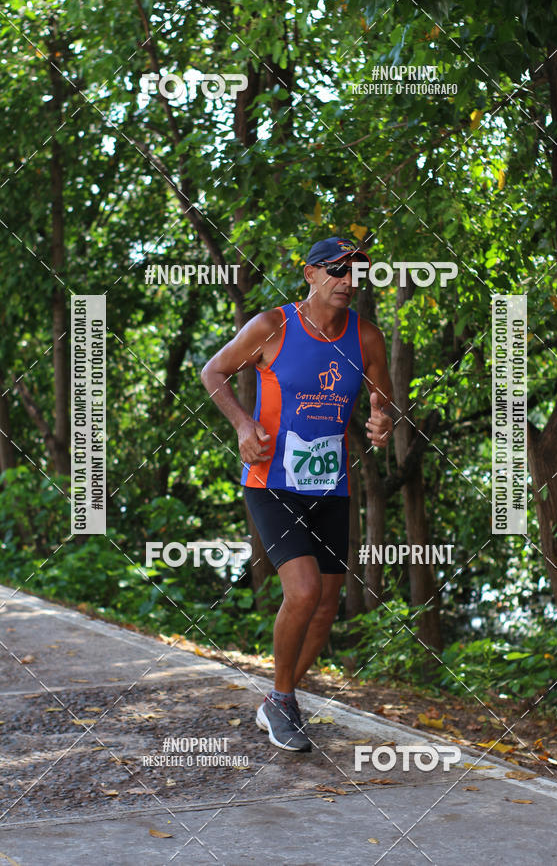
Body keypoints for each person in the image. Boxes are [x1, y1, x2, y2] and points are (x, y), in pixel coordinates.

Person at [201, 236, 394, 751]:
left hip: (330, 484)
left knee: (329, 603)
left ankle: (278, 700)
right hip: (272, 482)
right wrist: (242, 424)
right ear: (309, 274)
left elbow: (382, 391)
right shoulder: (272, 326)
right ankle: (283, 699)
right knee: (304, 590)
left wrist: (381, 418)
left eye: (358, 273)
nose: (350, 282)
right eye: (338, 271)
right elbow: (212, 371)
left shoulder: (367, 337)